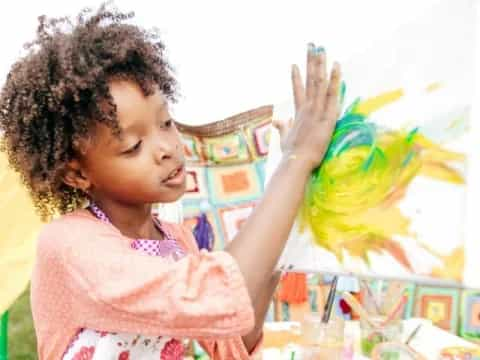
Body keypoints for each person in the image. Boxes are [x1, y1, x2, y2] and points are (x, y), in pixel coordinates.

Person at [0, 4, 341, 359]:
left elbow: (227, 342)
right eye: (133, 146)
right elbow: (212, 295)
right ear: (78, 173)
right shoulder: (69, 245)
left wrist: (288, 203)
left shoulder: (176, 240)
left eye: (165, 123)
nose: (166, 148)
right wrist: (296, 160)